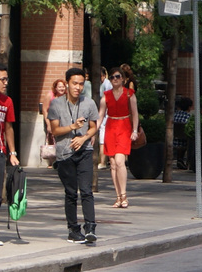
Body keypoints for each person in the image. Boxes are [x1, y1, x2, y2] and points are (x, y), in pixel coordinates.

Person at [48, 68, 99, 244]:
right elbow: (54, 130)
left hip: (84, 151)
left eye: (81, 84)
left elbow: (94, 126)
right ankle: (73, 229)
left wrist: (84, 137)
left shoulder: (89, 103)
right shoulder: (56, 104)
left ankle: (90, 227)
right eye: (74, 83)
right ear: (67, 83)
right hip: (64, 153)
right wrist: (72, 127)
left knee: (86, 190)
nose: (78, 87)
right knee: (70, 193)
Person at [97, 67, 139, 209]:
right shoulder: (106, 95)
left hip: (124, 127)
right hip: (110, 127)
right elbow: (100, 115)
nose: (114, 79)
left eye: (117, 77)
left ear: (123, 79)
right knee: (113, 164)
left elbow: (135, 113)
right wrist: (92, 132)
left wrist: (134, 130)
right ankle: (118, 197)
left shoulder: (129, 94)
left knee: (120, 162)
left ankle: (124, 194)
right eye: (112, 77)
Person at [0, 64, 19, 246]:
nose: (6, 83)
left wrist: (12, 152)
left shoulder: (6, 101)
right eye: (3, 79)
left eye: (7, 79)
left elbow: (9, 128)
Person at [42, 79, 67, 167]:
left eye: (63, 87)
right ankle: (51, 161)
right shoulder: (50, 95)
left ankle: (60, 160)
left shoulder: (66, 96)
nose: (61, 89)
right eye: (59, 87)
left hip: (62, 122)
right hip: (51, 121)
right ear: (55, 88)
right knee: (51, 140)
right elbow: (44, 110)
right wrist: (48, 124)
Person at [98, 67, 113, 169]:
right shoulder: (103, 84)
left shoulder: (107, 84)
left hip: (106, 115)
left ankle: (103, 161)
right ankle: (104, 161)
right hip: (105, 114)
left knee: (103, 139)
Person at [174, 96, 192, 168]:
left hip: (173, 140)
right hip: (184, 142)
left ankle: (179, 159)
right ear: (189, 107)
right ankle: (182, 160)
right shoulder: (189, 117)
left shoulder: (174, 115)